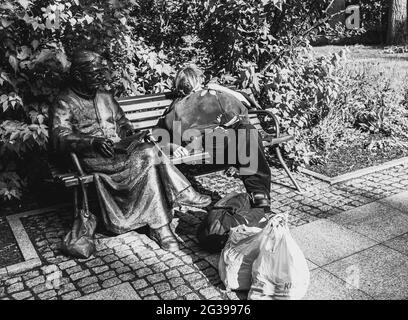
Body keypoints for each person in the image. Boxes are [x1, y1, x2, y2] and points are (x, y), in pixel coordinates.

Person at [50, 51, 211, 252]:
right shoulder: (65, 101)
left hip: (118, 151)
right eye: (95, 73)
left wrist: (133, 134)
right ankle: (169, 216)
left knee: (149, 151)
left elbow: (123, 123)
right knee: (150, 154)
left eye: (102, 73)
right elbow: (60, 136)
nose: (101, 77)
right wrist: (91, 142)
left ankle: (162, 224)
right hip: (92, 158)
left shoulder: (105, 96)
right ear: (79, 76)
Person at [156, 65, 272, 208]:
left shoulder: (213, 93)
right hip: (212, 139)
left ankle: (259, 196)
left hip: (234, 132)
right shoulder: (178, 107)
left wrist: (219, 89)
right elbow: (159, 135)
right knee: (246, 140)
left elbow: (246, 105)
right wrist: (175, 147)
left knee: (248, 132)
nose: (195, 89)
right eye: (190, 86)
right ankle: (260, 196)